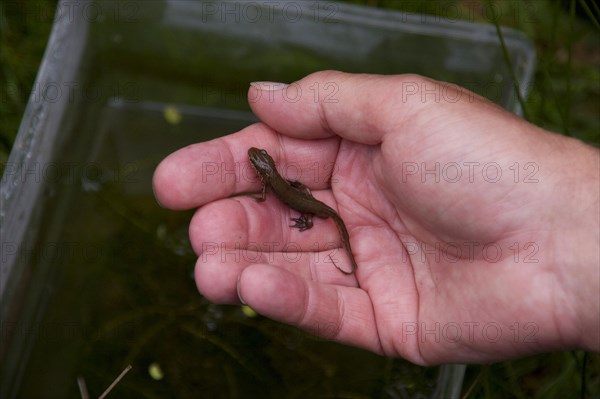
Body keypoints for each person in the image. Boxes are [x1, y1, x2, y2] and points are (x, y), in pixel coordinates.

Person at [153, 71, 599, 365]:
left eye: (259, 162)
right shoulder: (277, 181)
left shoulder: (270, 184)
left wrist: (297, 207)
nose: (257, 163)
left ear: (262, 170)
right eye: (258, 161)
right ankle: (321, 228)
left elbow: (272, 195)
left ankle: (320, 228)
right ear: (263, 168)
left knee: (311, 217)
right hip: (310, 202)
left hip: (312, 206)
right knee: (307, 217)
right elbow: (282, 191)